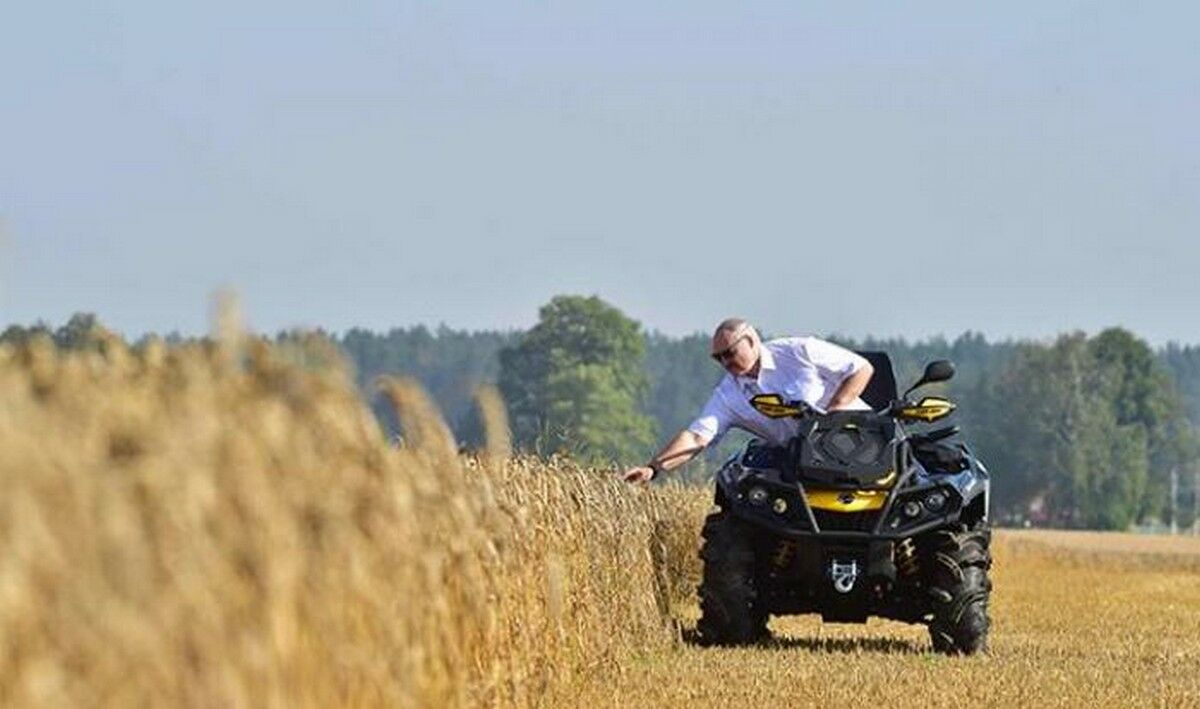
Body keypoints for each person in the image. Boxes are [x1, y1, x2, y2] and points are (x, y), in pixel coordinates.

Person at [622, 318, 875, 483]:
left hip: (863, 448)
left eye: (730, 353)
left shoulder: (799, 351)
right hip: (803, 468)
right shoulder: (728, 395)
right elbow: (697, 437)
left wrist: (835, 411)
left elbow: (861, 368)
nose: (725, 363)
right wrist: (654, 468)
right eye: (718, 358)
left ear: (752, 340)